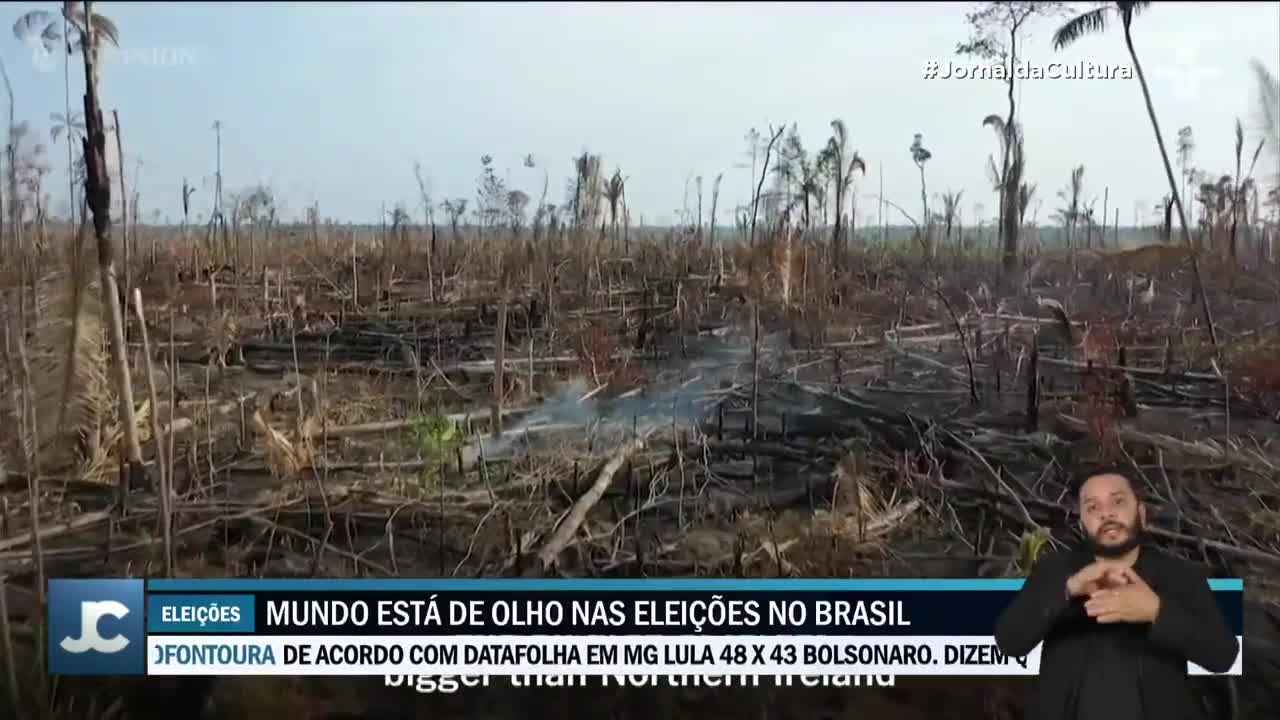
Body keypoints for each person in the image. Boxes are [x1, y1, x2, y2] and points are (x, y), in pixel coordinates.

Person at [994, 466, 1239, 720]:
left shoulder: (1179, 574)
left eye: (1117, 501)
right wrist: (1067, 590)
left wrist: (1157, 612)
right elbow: (1010, 642)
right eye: (1092, 507)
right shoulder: (1054, 570)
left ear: (1141, 514)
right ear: (1082, 524)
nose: (1106, 513)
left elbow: (1223, 656)